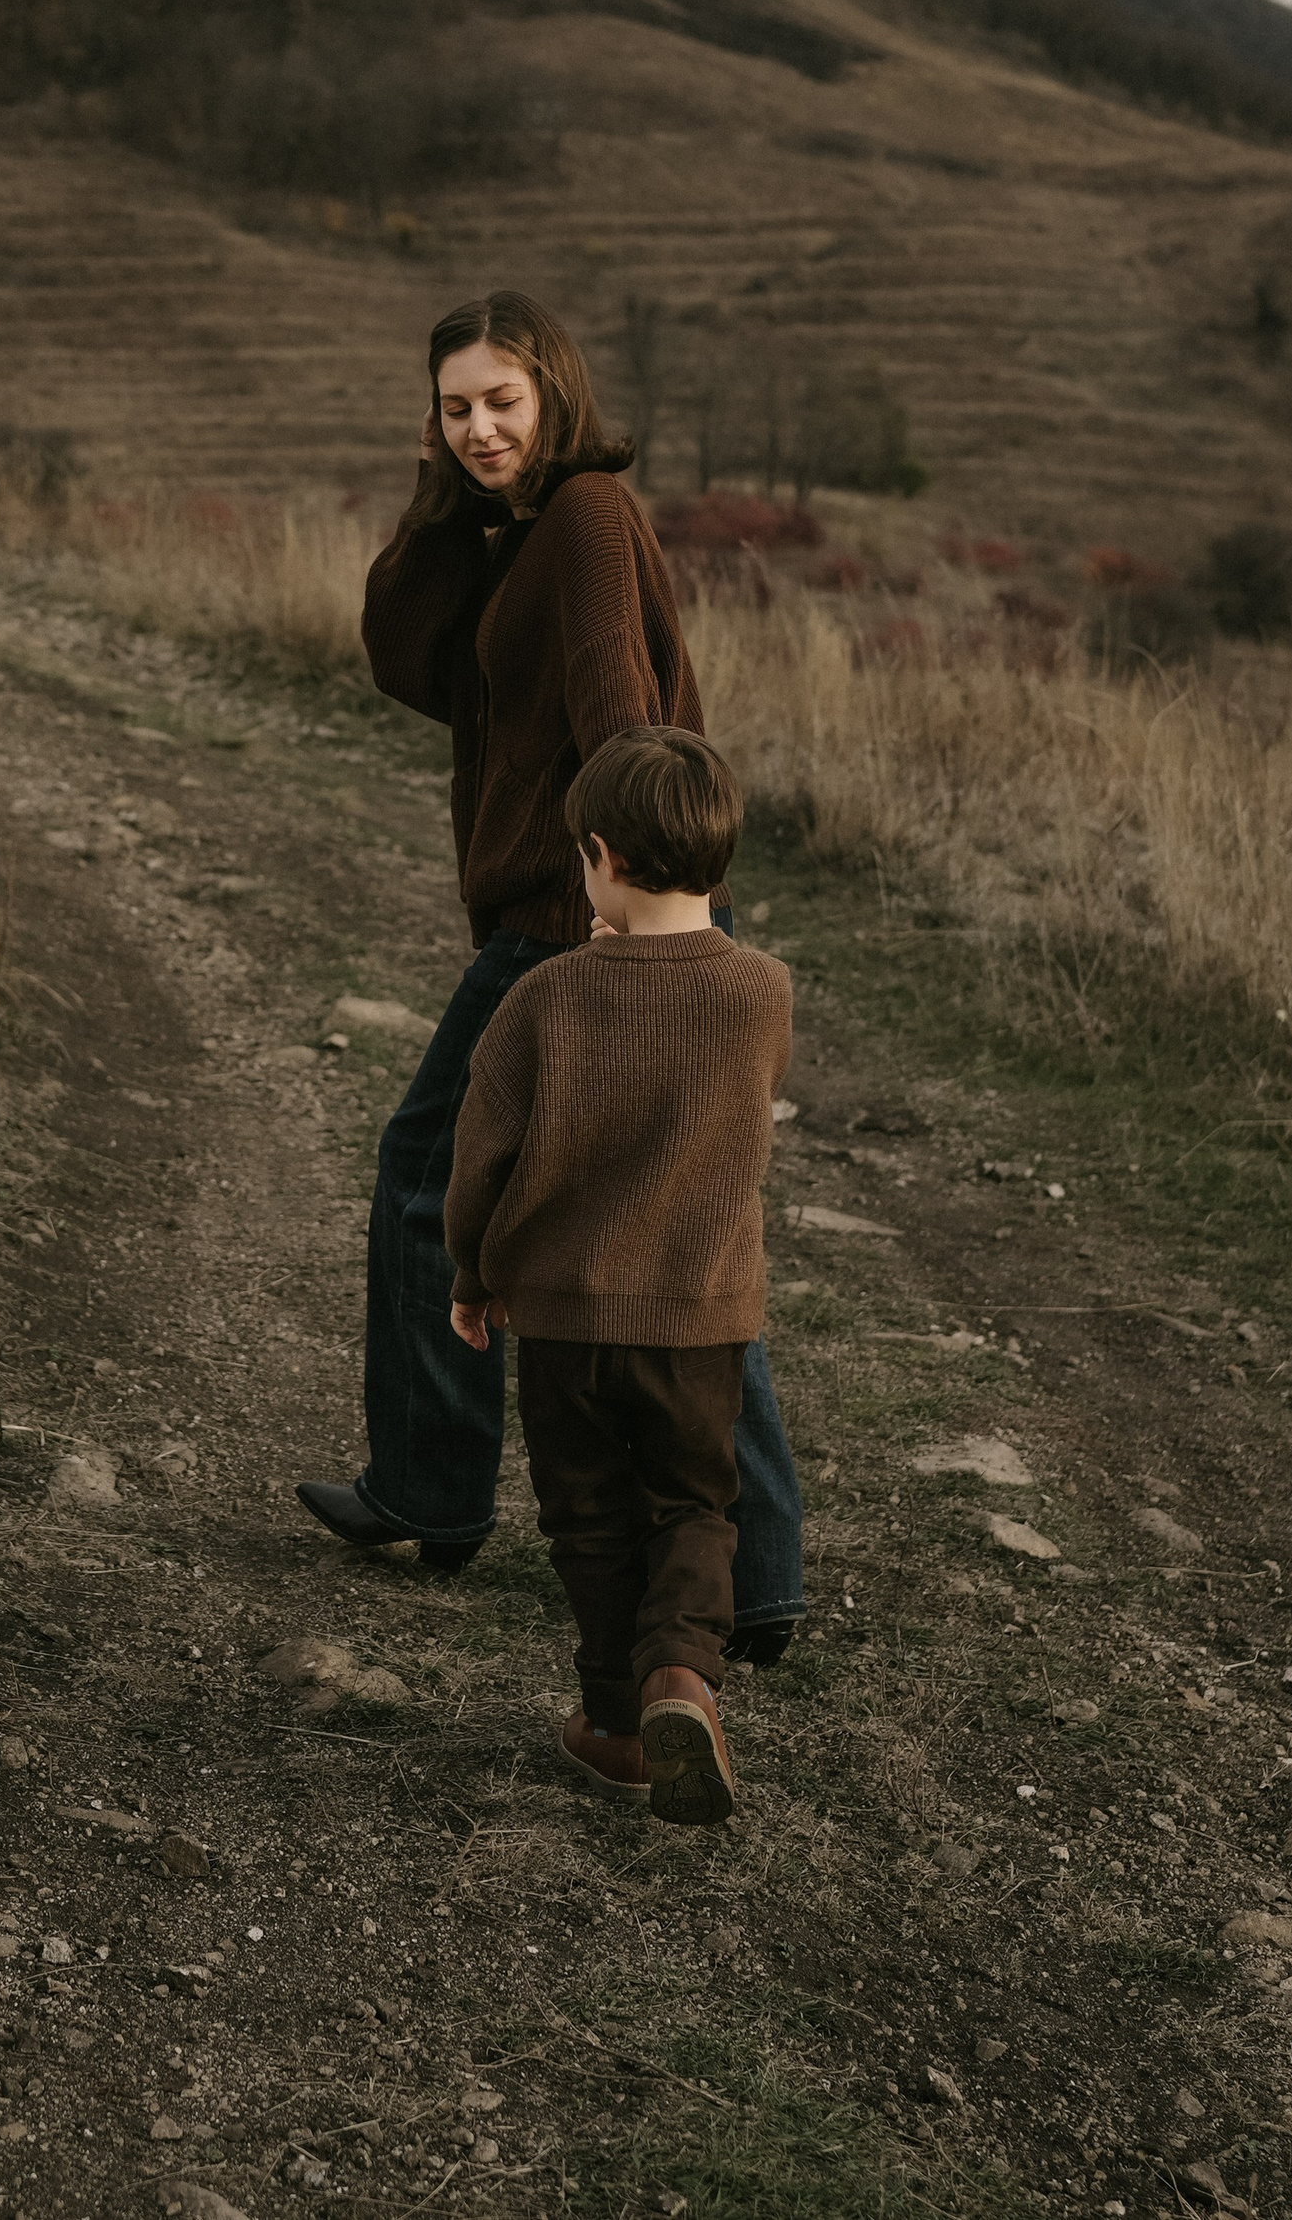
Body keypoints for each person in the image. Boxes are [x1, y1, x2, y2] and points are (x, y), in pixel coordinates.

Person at [295, 290, 805, 1661]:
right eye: (453, 408)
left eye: (500, 403)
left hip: (585, 910)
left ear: (553, 394)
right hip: (592, 900)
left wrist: (625, 902)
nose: (477, 428)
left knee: (427, 1168)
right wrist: (439, 499)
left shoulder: (581, 517)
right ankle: (752, 1579)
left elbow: (615, 702)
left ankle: (433, 1487)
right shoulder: (510, 534)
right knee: (672, 1220)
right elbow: (403, 660)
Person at [445, 725, 786, 1822]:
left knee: (587, 1516)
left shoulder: (546, 995)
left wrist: (471, 1270)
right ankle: (680, 1672)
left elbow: (479, 1152)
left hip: (564, 1321)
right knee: (693, 1503)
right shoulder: (760, 991)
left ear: (602, 855)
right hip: (699, 1320)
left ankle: (609, 1719)